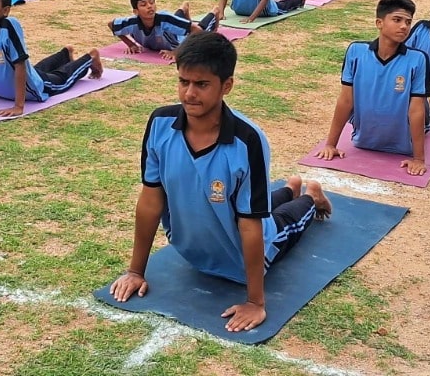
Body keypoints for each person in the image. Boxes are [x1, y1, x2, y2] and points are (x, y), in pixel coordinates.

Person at [108, 31, 331, 333]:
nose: (189, 93)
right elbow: (151, 200)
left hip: (249, 247)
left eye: (201, 84)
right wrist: (136, 271)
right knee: (256, 202)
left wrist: (255, 301)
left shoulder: (247, 140)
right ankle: (290, 187)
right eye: (183, 81)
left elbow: (250, 225)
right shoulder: (160, 124)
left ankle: (309, 195)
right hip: (197, 249)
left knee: (281, 221)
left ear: (226, 86)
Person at [313, 0, 430, 175]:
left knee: (422, 105)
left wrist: (418, 159)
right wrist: (330, 144)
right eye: (397, 20)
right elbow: (346, 100)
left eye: (408, 22)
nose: (404, 26)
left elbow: (416, 110)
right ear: (379, 23)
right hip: (365, 137)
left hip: (410, 124)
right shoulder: (356, 51)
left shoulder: (418, 58)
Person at [109, 0, 214, 60]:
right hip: (172, 27)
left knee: (203, 31)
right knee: (177, 20)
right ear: (136, 11)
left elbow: (196, 30)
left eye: (151, 2)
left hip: (180, 38)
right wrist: (130, 44)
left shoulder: (164, 19)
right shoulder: (132, 22)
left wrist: (177, 52)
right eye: (143, 4)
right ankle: (183, 8)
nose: (150, 6)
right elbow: (111, 25)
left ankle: (215, 12)